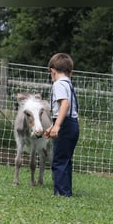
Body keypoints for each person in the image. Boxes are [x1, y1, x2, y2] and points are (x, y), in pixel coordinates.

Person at [44, 53, 79, 197]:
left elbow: (65, 104)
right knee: (65, 160)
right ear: (70, 72)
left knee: (58, 160)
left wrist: (57, 125)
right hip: (72, 124)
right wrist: (52, 126)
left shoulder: (58, 84)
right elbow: (66, 110)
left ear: (53, 70)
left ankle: (61, 194)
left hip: (65, 125)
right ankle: (66, 191)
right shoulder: (68, 84)